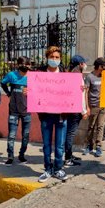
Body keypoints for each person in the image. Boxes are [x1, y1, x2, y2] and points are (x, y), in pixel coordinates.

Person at [36, 46, 68, 182]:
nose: (54, 59)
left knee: (60, 145)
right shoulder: (39, 74)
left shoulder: (65, 74)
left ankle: (58, 169)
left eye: (57, 57)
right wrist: (28, 92)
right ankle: (48, 169)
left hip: (61, 115)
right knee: (47, 144)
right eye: (52, 57)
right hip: (46, 115)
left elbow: (70, 92)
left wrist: (79, 88)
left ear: (60, 59)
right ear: (47, 58)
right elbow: (34, 92)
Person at [1, 56, 32, 166]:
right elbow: (3, 83)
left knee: (26, 135)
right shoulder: (11, 75)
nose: (26, 66)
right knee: (12, 135)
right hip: (13, 110)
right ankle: (10, 156)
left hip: (27, 111)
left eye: (28, 64)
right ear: (18, 65)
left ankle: (22, 155)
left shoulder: (32, 77)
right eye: (23, 64)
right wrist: (8, 93)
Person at [83, 57, 105, 157]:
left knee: (100, 126)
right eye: (104, 66)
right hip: (93, 105)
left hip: (103, 105)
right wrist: (87, 107)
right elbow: (86, 92)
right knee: (91, 126)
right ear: (99, 66)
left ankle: (99, 146)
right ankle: (89, 145)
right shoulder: (89, 77)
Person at [63, 55, 89, 166]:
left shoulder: (74, 74)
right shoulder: (76, 76)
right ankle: (67, 158)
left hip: (73, 108)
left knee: (70, 133)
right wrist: (83, 110)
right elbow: (79, 96)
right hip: (75, 109)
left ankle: (69, 154)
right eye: (84, 63)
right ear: (80, 64)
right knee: (70, 133)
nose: (85, 65)